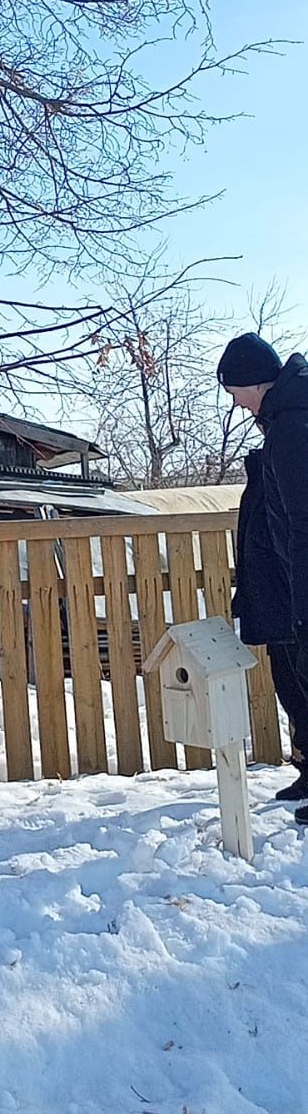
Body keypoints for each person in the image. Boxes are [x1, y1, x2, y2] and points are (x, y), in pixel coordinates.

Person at [218, 332, 308, 814]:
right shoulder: (282, 424)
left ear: (253, 383)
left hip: (300, 587)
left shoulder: (293, 426)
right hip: (285, 585)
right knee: (293, 681)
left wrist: (301, 599)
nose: (237, 404)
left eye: (234, 393)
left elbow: (301, 517)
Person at [233, 440, 308, 801]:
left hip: (294, 598)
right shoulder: (265, 469)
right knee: (291, 687)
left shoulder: (290, 454)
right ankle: (307, 767)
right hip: (277, 601)